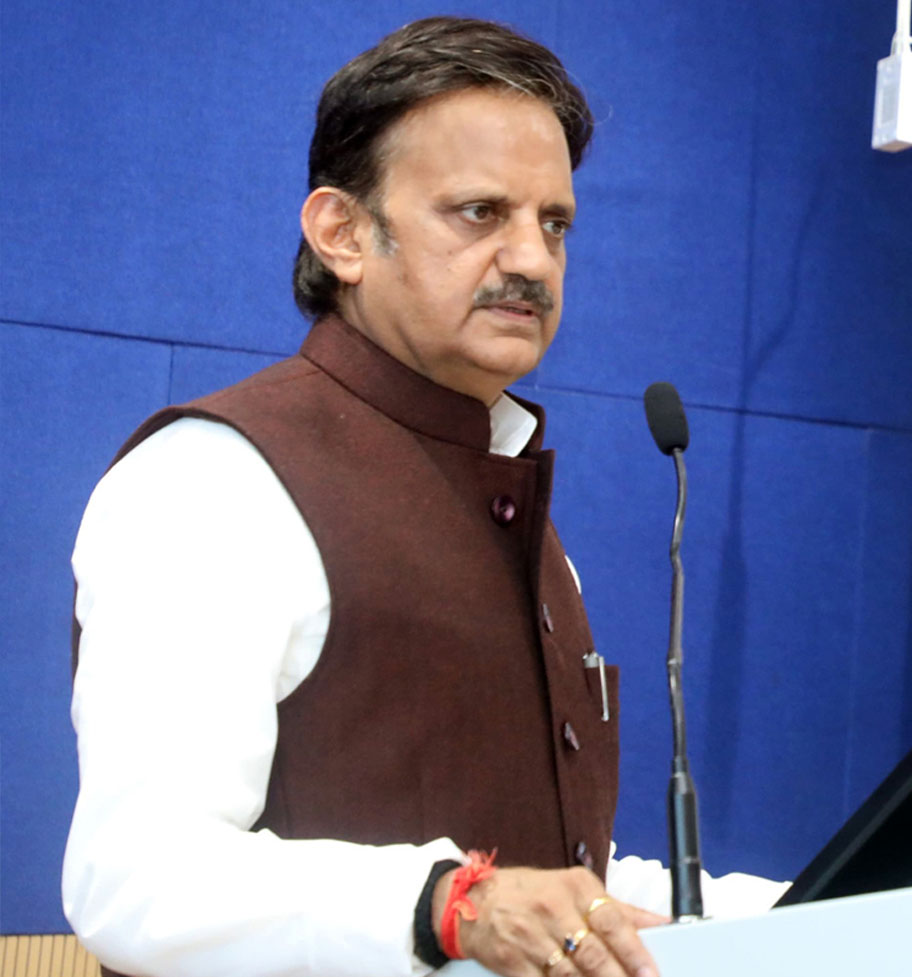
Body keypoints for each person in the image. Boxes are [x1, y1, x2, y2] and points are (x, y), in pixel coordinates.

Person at [64, 16, 785, 977]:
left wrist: (827, 906)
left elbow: (545, 870)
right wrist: (448, 904)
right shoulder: (214, 481)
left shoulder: (512, 497)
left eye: (554, 223)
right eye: (479, 212)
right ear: (343, 233)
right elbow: (139, 881)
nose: (531, 260)